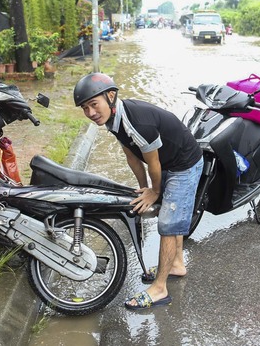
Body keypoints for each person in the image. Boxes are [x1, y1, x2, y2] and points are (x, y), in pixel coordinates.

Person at [73, 73, 203, 310]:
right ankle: (176, 264)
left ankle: (160, 289)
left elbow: (152, 163)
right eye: (85, 108)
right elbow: (132, 156)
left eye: (94, 104)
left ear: (110, 96)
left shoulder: (137, 121)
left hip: (184, 163)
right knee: (170, 216)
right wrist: (144, 187)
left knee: (168, 223)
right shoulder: (114, 119)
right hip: (168, 160)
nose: (91, 112)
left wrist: (154, 191)